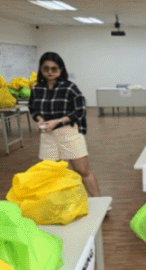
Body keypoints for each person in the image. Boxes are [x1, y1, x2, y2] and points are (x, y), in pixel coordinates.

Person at [28, 52, 101, 197]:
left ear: (61, 70)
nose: (50, 72)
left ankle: (100, 202)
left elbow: (80, 110)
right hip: (48, 134)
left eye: (54, 68)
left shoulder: (70, 88)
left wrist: (59, 121)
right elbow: (32, 108)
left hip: (69, 132)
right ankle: (60, 204)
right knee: (52, 173)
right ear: (41, 70)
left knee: (82, 170)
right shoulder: (36, 89)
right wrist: (40, 119)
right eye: (46, 68)